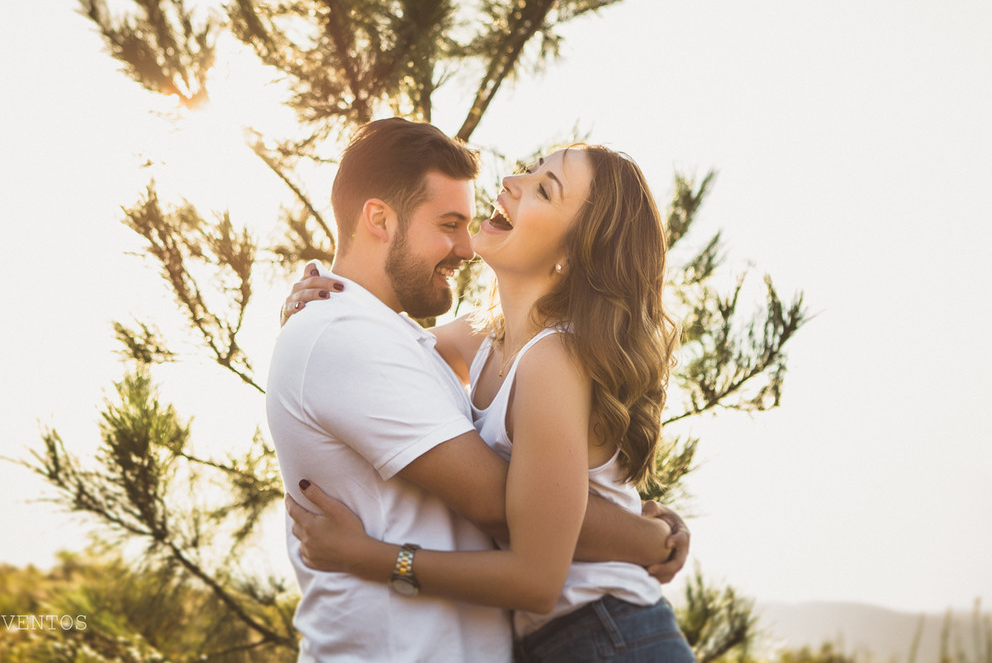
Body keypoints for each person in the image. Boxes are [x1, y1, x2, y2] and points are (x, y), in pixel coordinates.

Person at [266, 119, 689, 662]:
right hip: (560, 638)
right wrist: (307, 307)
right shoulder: (482, 337)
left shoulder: (552, 359)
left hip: (607, 633)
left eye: (544, 189)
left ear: (573, 251)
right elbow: (364, 342)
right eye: (531, 168)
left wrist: (372, 557)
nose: (514, 179)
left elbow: (524, 547)